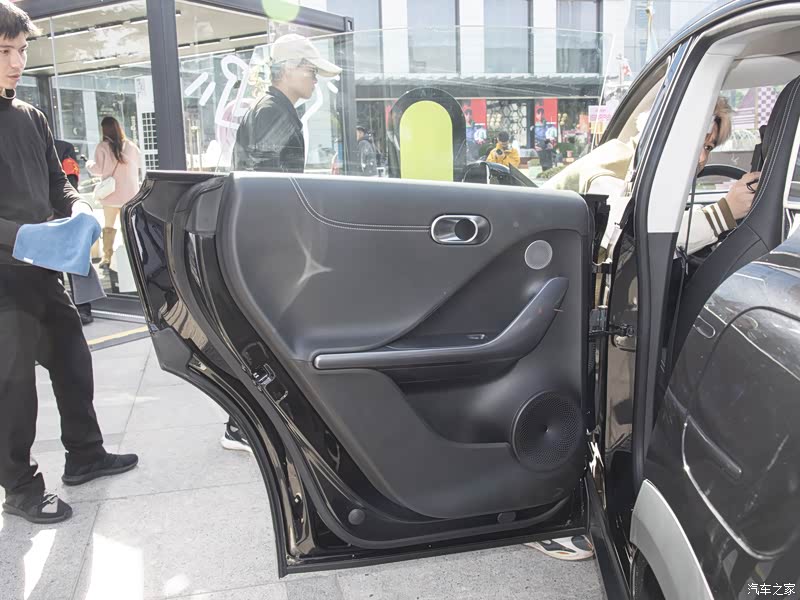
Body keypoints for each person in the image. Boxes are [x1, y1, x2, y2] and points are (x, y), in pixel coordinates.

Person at [529, 96, 758, 562]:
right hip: (554, 305)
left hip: (570, 298)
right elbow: (630, 238)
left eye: (709, 147)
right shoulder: (613, 168)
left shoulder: (640, 167)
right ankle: (541, 512)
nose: (702, 157)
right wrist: (724, 212)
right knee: (567, 400)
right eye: (698, 140)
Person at [0, 0, 138, 525]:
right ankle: (19, 488)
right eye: (5, 51)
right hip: (3, 277)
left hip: (43, 268)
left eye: (22, 50)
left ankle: (85, 455)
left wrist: (78, 208)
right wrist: (22, 235)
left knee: (74, 362)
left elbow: (58, 183)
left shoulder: (30, 116)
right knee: (13, 387)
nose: (18, 63)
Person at [225, 33, 341, 452]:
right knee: (266, 332)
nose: (315, 78)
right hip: (269, 243)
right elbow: (267, 185)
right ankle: (242, 426)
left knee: (267, 331)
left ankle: (250, 422)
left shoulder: (274, 109)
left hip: (265, 240)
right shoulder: (273, 112)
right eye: (311, 70)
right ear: (288, 69)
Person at [86, 116, 142, 269]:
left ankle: (107, 258)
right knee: (127, 227)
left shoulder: (103, 147)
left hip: (111, 195)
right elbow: (138, 165)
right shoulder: (131, 146)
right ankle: (131, 256)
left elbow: (97, 169)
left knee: (109, 227)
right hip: (129, 195)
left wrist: (89, 164)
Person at [54, 137, 94, 325]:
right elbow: (72, 180)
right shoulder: (63, 147)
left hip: (59, 213)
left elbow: (70, 181)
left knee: (66, 263)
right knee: (64, 265)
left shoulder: (62, 147)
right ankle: (75, 309)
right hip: (54, 213)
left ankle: (81, 309)